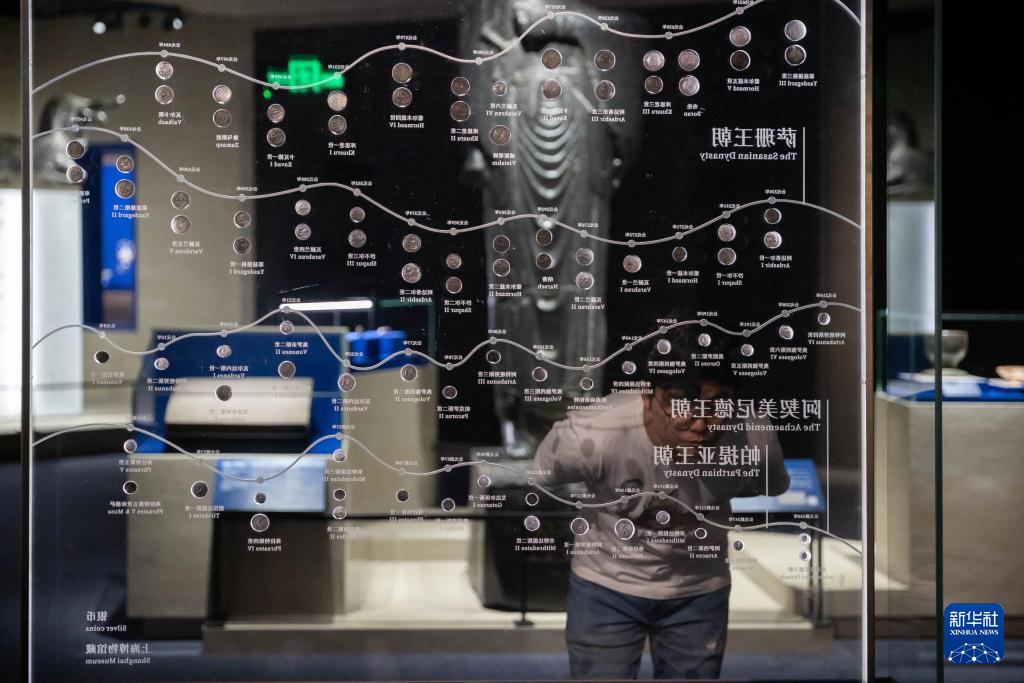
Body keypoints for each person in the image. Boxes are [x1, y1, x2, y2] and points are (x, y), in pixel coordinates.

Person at [534, 326, 790, 679]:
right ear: (647, 397)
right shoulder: (594, 433)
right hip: (604, 584)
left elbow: (772, 486)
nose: (701, 424)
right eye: (681, 404)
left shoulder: (753, 439)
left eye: (718, 404)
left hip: (698, 589)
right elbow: (543, 473)